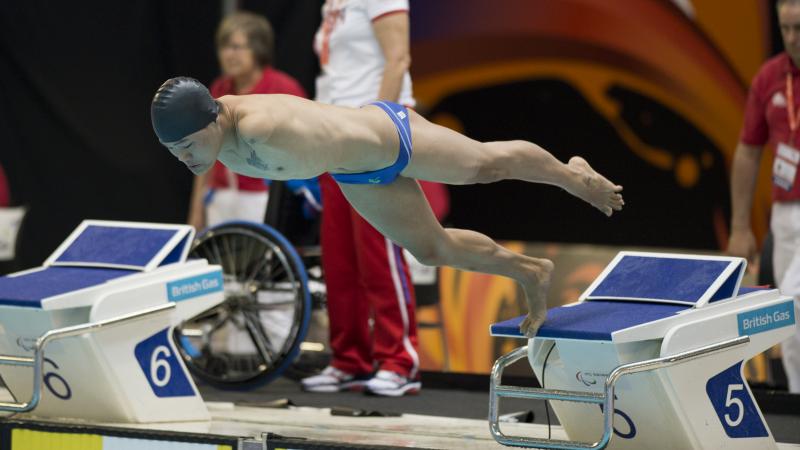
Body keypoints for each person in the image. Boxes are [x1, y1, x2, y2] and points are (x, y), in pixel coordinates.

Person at [150, 77, 624, 353]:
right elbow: (314, 165)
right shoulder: (215, 141)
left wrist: (309, 183)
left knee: (483, 165)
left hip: (388, 135)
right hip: (356, 173)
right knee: (431, 248)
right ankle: (529, 272)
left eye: (187, 145)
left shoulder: (263, 128)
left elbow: (310, 147)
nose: (183, 158)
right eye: (172, 152)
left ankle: (569, 173)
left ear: (212, 120)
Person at [302, 0, 433, 397]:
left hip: (372, 130)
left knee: (378, 248)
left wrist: (378, 127)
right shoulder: (332, 3)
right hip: (335, 134)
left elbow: (398, 59)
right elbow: (335, 76)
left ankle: (400, 361)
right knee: (339, 256)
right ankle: (349, 360)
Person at [727, 0, 800, 393]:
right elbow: (748, 151)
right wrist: (739, 227)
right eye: (786, 28)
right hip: (784, 214)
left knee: (792, 302)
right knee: (793, 314)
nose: (792, 38)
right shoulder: (769, 77)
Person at [187, 12, 306, 231]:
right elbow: (202, 150)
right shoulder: (218, 89)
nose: (229, 55)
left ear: (258, 49)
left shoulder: (284, 88)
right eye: (224, 47)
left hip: (264, 196)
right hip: (220, 197)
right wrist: (196, 211)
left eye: (237, 47)